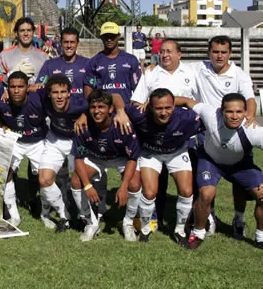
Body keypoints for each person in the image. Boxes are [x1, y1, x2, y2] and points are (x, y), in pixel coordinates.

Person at [176, 94, 263, 249]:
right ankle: (198, 233)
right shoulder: (210, 113)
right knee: (206, 194)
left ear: (245, 112)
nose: (235, 116)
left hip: (240, 165)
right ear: (221, 110)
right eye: (229, 112)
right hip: (210, 161)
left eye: (239, 112)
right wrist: (151, 102)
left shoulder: (254, 131)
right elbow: (186, 101)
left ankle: (260, 236)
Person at [192, 35, 257, 237]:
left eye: (223, 52)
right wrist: (153, 67)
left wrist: (250, 117)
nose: (219, 56)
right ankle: (209, 216)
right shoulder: (198, 68)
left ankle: (238, 219)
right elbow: (174, 67)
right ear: (209, 52)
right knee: (206, 182)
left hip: (235, 133)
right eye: (215, 51)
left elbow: (250, 99)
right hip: (208, 132)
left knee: (240, 181)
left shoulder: (239, 75)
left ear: (230, 53)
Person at [130, 39, 198, 232]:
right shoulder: (151, 72)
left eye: (169, 51)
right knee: (156, 185)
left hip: (182, 135)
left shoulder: (191, 73)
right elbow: (136, 101)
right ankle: (154, 218)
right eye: (162, 51)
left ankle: (193, 220)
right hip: (155, 136)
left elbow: (197, 101)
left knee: (189, 184)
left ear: (179, 54)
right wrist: (146, 105)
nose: (165, 55)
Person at [125, 89, 203, 244]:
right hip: (150, 153)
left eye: (168, 108)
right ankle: (145, 228)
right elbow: (116, 103)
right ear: (149, 107)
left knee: (187, 191)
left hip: (177, 152)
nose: (163, 112)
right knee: (149, 192)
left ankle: (179, 230)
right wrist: (121, 112)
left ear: (174, 106)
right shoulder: (139, 113)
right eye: (158, 108)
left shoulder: (187, 118)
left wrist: (186, 101)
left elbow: (212, 118)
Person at [70, 90, 141, 242]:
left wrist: (124, 186)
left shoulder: (122, 125)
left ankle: (128, 223)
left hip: (121, 158)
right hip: (96, 158)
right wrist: (88, 186)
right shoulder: (83, 125)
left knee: (134, 184)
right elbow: (78, 158)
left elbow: (132, 158)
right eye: (93, 107)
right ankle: (91, 223)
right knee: (76, 181)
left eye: (101, 107)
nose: (97, 111)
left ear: (110, 109)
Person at [0, 71, 48, 227]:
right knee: (4, 172)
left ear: (27, 87)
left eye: (20, 87)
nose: (16, 90)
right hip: (16, 141)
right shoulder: (2, 103)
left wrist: (35, 88)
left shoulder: (38, 100)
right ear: (7, 88)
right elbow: (0, 115)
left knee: (45, 179)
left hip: (38, 142)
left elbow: (51, 91)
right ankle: (14, 216)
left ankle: (46, 214)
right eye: (12, 87)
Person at [40, 74, 90, 232]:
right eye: (55, 92)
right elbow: (24, 93)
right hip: (55, 140)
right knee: (44, 179)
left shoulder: (80, 104)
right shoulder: (43, 98)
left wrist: (85, 115)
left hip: (77, 142)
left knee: (80, 181)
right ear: (49, 93)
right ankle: (64, 215)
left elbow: (101, 104)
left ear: (70, 93)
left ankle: (85, 216)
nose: (59, 96)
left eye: (63, 92)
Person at [84, 21, 142, 105]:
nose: (109, 39)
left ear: (118, 36)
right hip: (103, 112)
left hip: (125, 111)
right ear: (101, 37)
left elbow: (138, 88)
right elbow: (88, 88)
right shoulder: (94, 62)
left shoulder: (131, 60)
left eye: (112, 36)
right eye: (105, 36)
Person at [36, 26, 90, 102]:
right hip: (56, 112)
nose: (69, 46)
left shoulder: (87, 64)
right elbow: (39, 87)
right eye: (66, 42)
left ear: (77, 43)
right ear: (61, 43)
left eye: (72, 42)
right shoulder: (49, 65)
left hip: (81, 112)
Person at [0, 17, 49, 85]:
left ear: (33, 32)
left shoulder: (44, 56)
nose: (26, 33)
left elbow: (49, 79)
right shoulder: (4, 55)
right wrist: (11, 75)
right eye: (22, 30)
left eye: (29, 30)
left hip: (37, 95)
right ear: (16, 33)